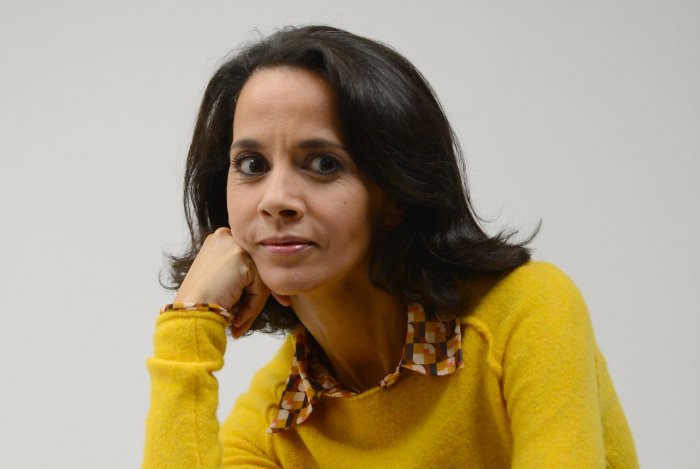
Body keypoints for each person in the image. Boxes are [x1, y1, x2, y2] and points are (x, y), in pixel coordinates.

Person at [143, 25, 638, 468]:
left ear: (397, 191)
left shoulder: (524, 313)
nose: (275, 200)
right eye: (252, 165)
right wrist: (190, 326)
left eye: (324, 164)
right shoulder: (279, 419)